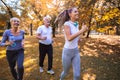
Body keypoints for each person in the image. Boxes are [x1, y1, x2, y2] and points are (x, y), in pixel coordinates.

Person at [55, 7, 88, 80]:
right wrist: (82, 30)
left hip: (76, 51)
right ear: (70, 14)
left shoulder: (77, 23)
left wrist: (79, 38)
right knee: (66, 72)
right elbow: (69, 38)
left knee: (77, 75)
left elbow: (77, 36)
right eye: (75, 11)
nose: (77, 13)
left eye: (77, 11)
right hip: (67, 52)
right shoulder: (67, 24)